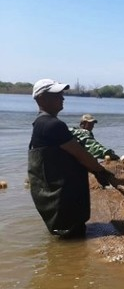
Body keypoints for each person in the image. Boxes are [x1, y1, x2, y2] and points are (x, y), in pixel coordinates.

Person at [28, 79, 114, 239]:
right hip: (63, 200)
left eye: (61, 94)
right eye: (57, 95)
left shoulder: (39, 123)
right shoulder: (53, 125)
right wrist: (100, 170)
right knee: (73, 241)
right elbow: (80, 154)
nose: (62, 98)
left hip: (51, 198)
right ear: (41, 98)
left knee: (62, 240)